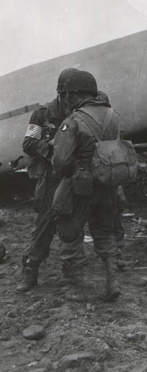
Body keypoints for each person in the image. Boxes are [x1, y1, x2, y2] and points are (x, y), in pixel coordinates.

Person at [51, 70, 125, 301]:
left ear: (73, 95)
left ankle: (71, 284)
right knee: (104, 229)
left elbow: (61, 161)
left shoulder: (72, 121)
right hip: (108, 184)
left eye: (64, 95)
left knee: (70, 231)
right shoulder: (114, 116)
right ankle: (113, 280)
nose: (64, 100)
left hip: (79, 186)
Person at [15, 68, 85, 292]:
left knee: (72, 226)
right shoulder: (42, 114)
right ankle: (31, 270)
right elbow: (28, 143)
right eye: (72, 95)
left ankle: (69, 276)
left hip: (71, 178)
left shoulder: (80, 114)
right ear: (63, 94)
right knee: (44, 226)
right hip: (50, 178)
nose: (75, 100)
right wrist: (53, 150)